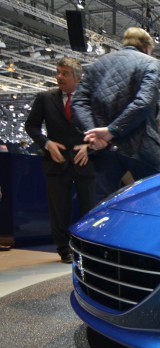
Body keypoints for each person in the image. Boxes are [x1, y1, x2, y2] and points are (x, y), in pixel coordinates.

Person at [72, 27, 160, 201]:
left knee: (104, 207)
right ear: (147, 47)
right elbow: (144, 103)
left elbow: (78, 102)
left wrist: (94, 134)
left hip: (104, 149)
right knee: (155, 202)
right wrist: (111, 131)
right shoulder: (150, 63)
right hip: (141, 146)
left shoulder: (97, 65)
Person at [24, 57, 95, 264]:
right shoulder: (45, 98)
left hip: (85, 161)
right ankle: (64, 250)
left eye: (64, 73)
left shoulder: (90, 99)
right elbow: (32, 126)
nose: (59, 77)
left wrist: (89, 146)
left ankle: (88, 247)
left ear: (78, 78)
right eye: (58, 72)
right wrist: (47, 143)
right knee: (58, 209)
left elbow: (102, 126)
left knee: (90, 207)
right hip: (56, 161)